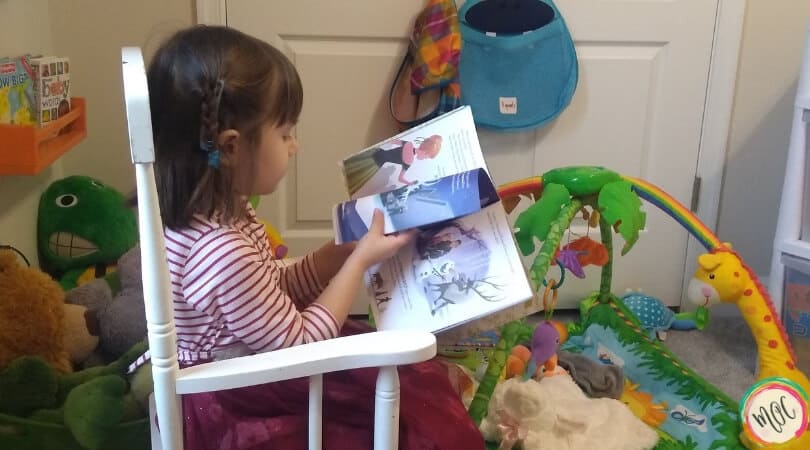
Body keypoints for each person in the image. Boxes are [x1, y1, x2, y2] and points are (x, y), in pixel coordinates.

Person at [147, 25, 485, 450]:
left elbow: (269, 290)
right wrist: (360, 262)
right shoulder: (222, 250)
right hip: (238, 399)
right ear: (230, 147)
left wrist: (334, 256)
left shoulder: (215, 209)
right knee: (408, 402)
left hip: (252, 359)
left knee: (391, 365)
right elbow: (301, 346)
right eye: (285, 133)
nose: (295, 146)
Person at [344, 134, 443, 196]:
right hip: (375, 164)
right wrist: (410, 183)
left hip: (375, 152)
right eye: (427, 157)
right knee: (352, 177)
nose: (424, 159)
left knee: (350, 167)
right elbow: (400, 178)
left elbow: (392, 140)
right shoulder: (409, 161)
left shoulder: (409, 144)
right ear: (425, 152)